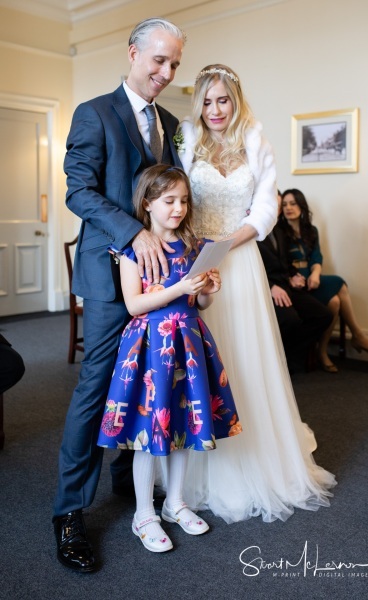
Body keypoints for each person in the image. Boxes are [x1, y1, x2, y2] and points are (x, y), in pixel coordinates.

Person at [53, 18, 186, 572]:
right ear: (133, 53)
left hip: (159, 282)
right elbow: (78, 191)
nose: (166, 72)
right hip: (109, 278)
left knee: (146, 381)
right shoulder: (94, 113)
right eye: (158, 61)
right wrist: (133, 232)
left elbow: (174, 196)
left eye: (175, 64)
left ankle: (125, 483)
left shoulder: (172, 123)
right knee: (96, 387)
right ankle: (69, 512)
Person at [176, 64, 336, 524]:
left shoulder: (255, 138)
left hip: (241, 260)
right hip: (197, 261)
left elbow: (267, 204)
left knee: (245, 357)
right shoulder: (187, 137)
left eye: (222, 99)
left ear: (236, 99)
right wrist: (197, 250)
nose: (215, 109)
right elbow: (176, 196)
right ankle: (198, 465)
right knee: (202, 360)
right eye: (207, 101)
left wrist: (229, 242)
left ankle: (258, 456)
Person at [97, 164, 241, 552]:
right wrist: (178, 286)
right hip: (150, 348)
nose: (178, 208)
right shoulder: (133, 249)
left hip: (189, 345)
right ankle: (144, 513)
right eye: (169, 201)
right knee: (148, 433)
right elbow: (133, 304)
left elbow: (200, 303)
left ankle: (175, 501)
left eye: (183, 200)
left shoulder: (195, 245)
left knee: (181, 427)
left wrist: (209, 289)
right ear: (148, 203)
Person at [279, 188, 368, 373]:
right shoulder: (280, 231)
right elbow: (281, 262)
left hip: (310, 278)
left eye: (293, 203)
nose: (288, 208)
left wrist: (315, 273)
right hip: (295, 282)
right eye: (285, 204)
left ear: (301, 205)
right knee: (338, 285)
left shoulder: (310, 230)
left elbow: (316, 256)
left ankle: (323, 351)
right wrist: (291, 277)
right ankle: (357, 335)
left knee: (335, 301)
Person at [257, 192, 333, 373]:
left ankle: (288, 353)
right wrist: (270, 287)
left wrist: (294, 275)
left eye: (279, 204)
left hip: (286, 284)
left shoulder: (280, 230)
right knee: (291, 320)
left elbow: (285, 262)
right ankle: (281, 363)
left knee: (324, 315)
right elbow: (250, 269)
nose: (280, 208)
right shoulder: (254, 232)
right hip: (268, 288)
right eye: (278, 204)